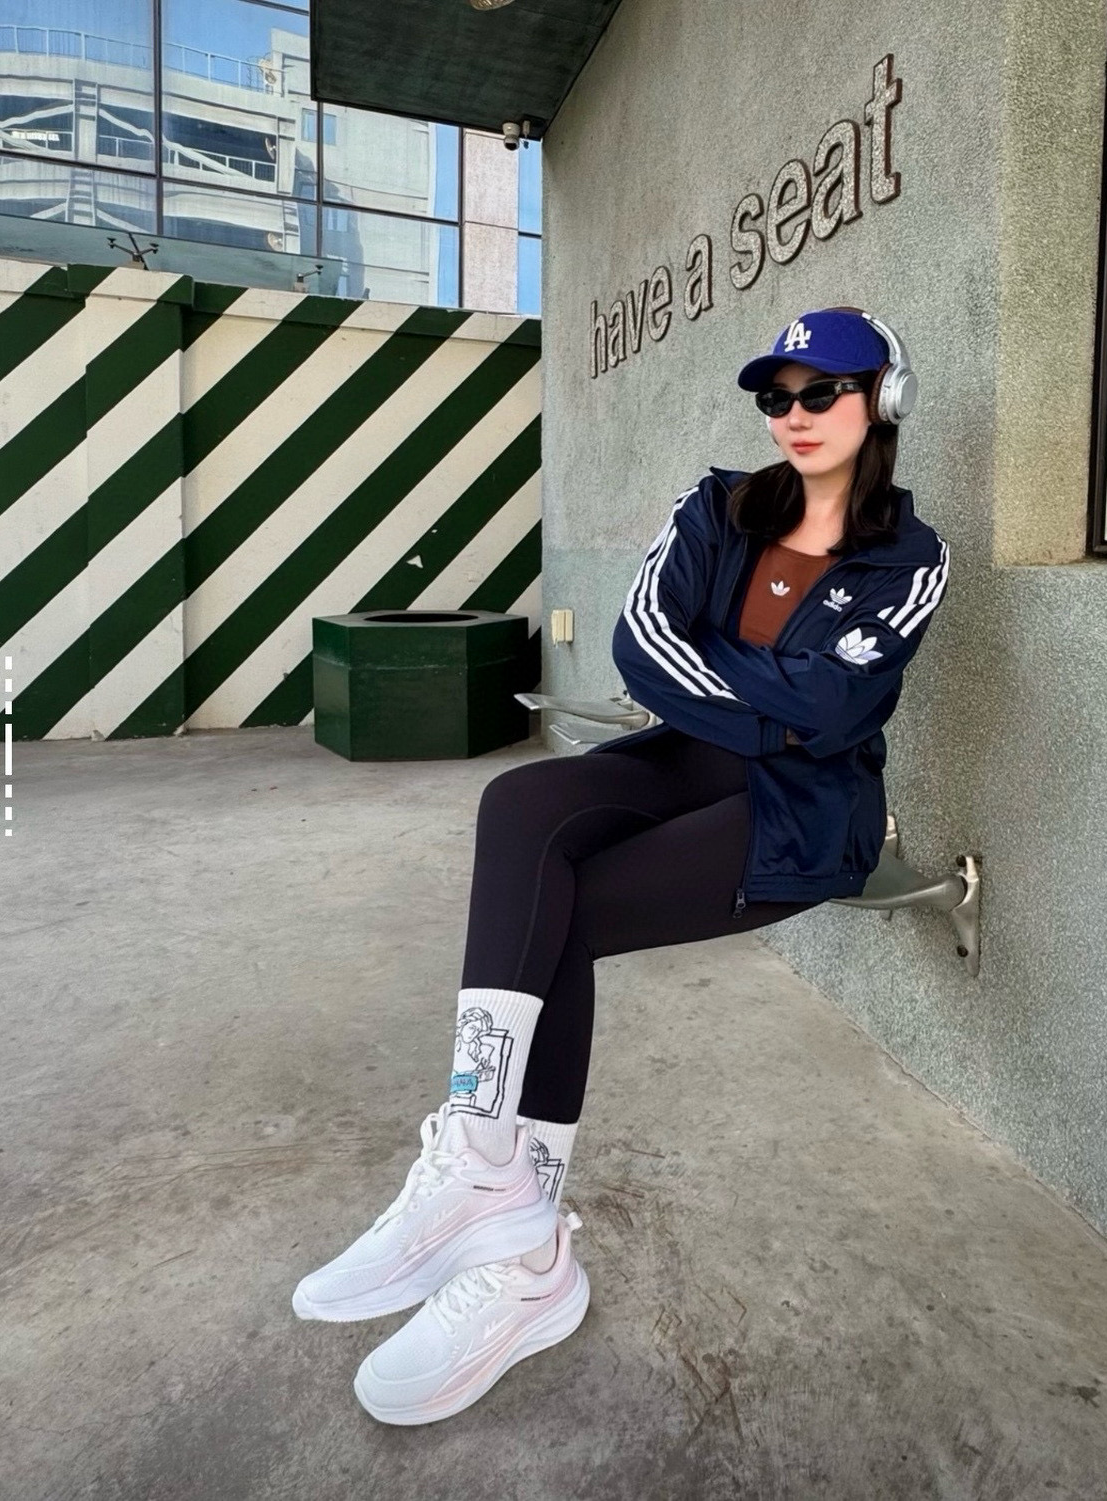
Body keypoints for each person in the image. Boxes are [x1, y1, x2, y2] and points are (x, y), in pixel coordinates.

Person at [291, 305, 951, 1425]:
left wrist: (731, 676)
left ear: (883, 399)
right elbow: (642, 646)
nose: (793, 414)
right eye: (777, 396)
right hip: (684, 763)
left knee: (568, 910)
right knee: (520, 807)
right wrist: (771, 701)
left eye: (821, 392)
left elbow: (838, 711)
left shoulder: (910, 557)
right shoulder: (716, 506)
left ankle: (526, 1258)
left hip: (807, 815)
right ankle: (484, 1166)